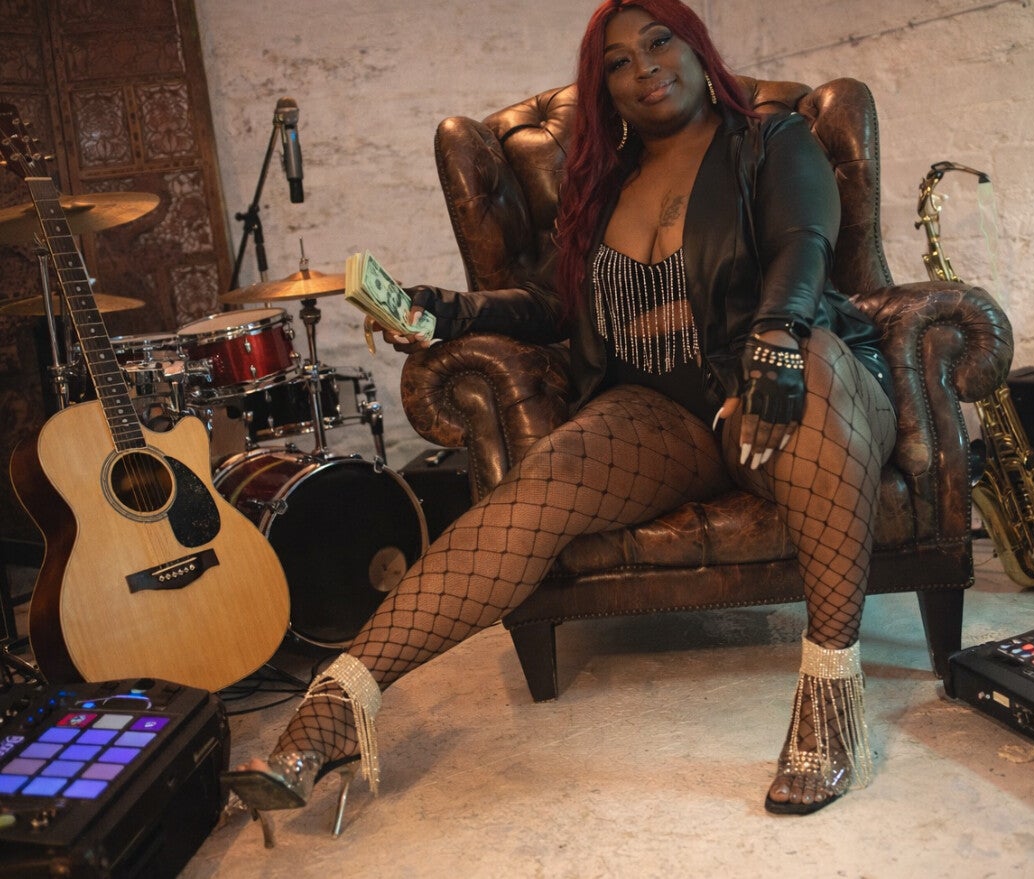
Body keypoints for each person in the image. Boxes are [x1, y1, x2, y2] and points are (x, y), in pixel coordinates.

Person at [224, 0, 897, 833]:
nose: (645, 67)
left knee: (810, 364)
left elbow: (805, 241)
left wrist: (778, 335)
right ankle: (332, 712)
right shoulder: (604, 186)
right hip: (673, 412)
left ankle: (829, 708)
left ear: (696, 47)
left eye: (660, 42)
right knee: (537, 489)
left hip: (801, 388)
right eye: (619, 62)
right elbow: (553, 301)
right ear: (605, 89)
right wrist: (444, 312)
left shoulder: (769, 139)